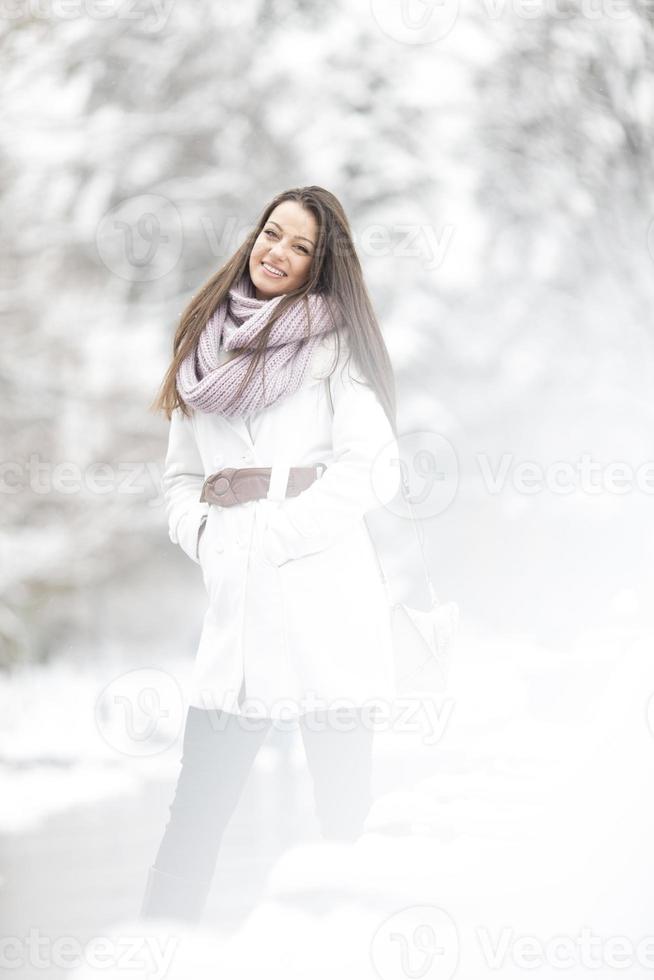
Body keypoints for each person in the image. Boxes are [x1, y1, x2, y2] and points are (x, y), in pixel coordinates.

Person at [140, 185, 401, 923]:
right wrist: (208, 539)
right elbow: (178, 480)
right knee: (194, 818)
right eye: (271, 233)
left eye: (300, 247)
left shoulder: (335, 350)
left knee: (344, 817)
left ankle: (351, 958)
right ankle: (155, 958)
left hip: (326, 602)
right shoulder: (201, 347)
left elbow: (375, 470)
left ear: (321, 266)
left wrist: (280, 536)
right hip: (237, 613)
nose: (276, 253)